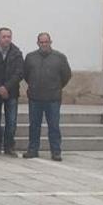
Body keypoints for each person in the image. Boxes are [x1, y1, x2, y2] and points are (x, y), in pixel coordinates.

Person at [23, 33, 71, 161]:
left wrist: (56, 87)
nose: (44, 44)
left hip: (53, 98)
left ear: (51, 42)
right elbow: (26, 75)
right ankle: (33, 149)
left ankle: (56, 151)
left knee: (54, 126)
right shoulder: (30, 57)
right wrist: (33, 85)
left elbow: (66, 75)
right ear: (37, 43)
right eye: (41, 42)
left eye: (46, 42)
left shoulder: (60, 57)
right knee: (34, 126)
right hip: (35, 98)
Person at [0, 27, 24, 156]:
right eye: (4, 36)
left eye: (9, 37)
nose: (6, 39)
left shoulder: (17, 53)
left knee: (11, 121)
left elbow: (19, 72)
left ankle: (9, 146)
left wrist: (7, 87)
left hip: (11, 92)